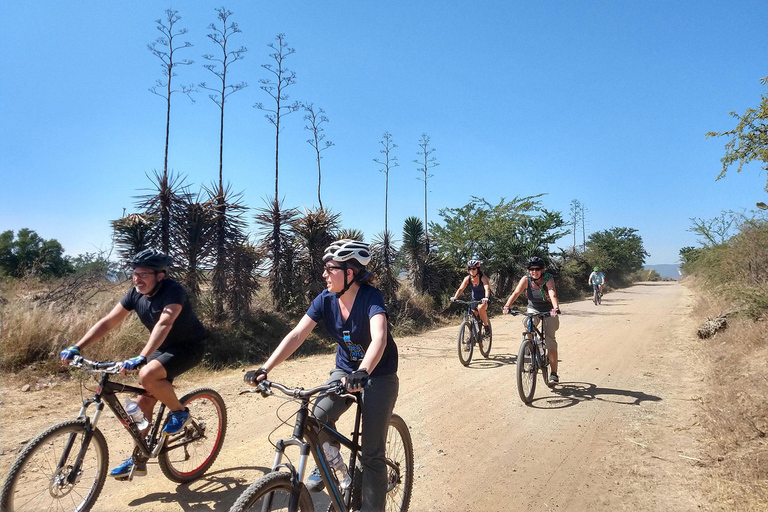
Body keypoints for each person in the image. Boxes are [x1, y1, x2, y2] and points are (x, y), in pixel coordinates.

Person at [244, 239, 398, 512]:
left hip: (378, 374)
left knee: (372, 454)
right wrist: (265, 368)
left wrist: (363, 371)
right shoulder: (325, 300)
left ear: (350, 272)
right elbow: (297, 334)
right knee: (318, 417)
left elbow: (380, 338)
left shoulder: (370, 298)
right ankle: (331, 462)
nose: (324, 274)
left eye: (330, 269)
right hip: (345, 371)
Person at [59, 249, 207, 480]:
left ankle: (180, 413)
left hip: (189, 346)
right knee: (139, 407)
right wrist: (77, 346)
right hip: (162, 348)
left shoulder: (174, 291)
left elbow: (165, 323)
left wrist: (142, 356)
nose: (137, 279)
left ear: (160, 275)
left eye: (144, 274)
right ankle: (138, 459)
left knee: (147, 375)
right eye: (135, 274)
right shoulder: (134, 294)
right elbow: (109, 322)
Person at [502, 256, 562, 384]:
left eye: (537, 269)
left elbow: (552, 292)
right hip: (533, 308)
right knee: (528, 322)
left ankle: (553, 374)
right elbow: (516, 293)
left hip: (549, 310)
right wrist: (507, 306)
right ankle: (529, 344)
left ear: (542, 270)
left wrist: (555, 308)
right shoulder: (526, 279)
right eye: (531, 269)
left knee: (550, 341)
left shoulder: (548, 278)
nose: (534, 271)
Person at [450, 259, 491, 335]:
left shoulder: (482, 277)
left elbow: (487, 288)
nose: (472, 270)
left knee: (480, 308)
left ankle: (486, 326)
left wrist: (486, 298)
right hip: (474, 300)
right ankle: (472, 337)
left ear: (477, 269)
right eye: (470, 268)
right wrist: (455, 297)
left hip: (483, 299)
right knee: (471, 318)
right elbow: (461, 289)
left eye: (474, 268)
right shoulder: (467, 278)